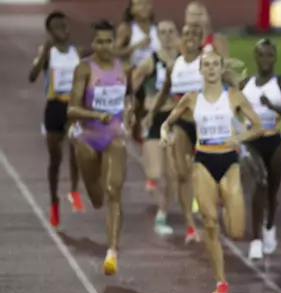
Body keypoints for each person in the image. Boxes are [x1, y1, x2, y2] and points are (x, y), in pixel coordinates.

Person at [159, 51, 265, 293]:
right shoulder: (191, 99)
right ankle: (220, 281)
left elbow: (258, 127)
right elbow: (168, 122)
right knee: (209, 223)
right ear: (201, 70)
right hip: (203, 160)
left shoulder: (233, 96)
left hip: (228, 161)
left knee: (237, 231)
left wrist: (238, 138)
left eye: (215, 64)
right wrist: (165, 134)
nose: (210, 69)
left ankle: (228, 207)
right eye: (206, 65)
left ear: (220, 67)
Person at [67, 19, 132, 276]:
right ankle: (94, 195)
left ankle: (112, 253)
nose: (104, 46)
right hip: (88, 137)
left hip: (114, 136)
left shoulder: (123, 67)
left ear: (114, 41)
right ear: (93, 43)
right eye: (99, 41)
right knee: (97, 198)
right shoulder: (84, 69)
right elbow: (71, 109)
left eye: (109, 40)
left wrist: (130, 113)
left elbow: (129, 98)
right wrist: (95, 114)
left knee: (113, 190)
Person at [240, 38, 281, 260]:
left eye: (269, 55)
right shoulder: (245, 84)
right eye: (261, 55)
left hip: (274, 141)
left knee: (272, 192)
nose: (265, 59)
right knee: (259, 182)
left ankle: (269, 225)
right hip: (251, 142)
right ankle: (256, 239)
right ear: (255, 57)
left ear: (275, 57)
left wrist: (273, 107)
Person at [144, 23, 203, 244]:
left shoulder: (208, 63)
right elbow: (164, 91)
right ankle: (189, 225)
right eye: (187, 33)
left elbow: (227, 87)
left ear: (200, 38)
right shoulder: (173, 66)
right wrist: (152, 113)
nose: (190, 38)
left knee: (208, 171)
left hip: (205, 125)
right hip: (181, 124)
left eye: (195, 34)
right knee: (179, 174)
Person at [28, 11, 87, 228]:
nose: (63, 29)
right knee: (55, 159)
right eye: (57, 26)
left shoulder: (76, 52)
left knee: (75, 147)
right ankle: (54, 201)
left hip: (72, 106)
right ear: (50, 31)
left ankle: (74, 190)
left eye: (65, 24)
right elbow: (32, 77)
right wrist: (43, 54)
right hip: (53, 107)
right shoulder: (48, 52)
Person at [131, 20, 179, 235]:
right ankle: (154, 186)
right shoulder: (150, 62)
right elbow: (133, 85)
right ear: (157, 36)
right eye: (163, 32)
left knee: (172, 173)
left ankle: (162, 214)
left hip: (175, 118)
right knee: (155, 172)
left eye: (171, 31)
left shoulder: (184, 61)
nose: (167, 35)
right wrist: (131, 109)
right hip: (154, 118)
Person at [115, 0, 159, 143]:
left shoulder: (157, 28)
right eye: (139, 4)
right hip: (134, 73)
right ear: (132, 9)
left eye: (147, 3)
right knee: (138, 109)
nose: (144, 7)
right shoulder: (127, 28)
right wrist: (136, 45)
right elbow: (115, 51)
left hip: (156, 74)